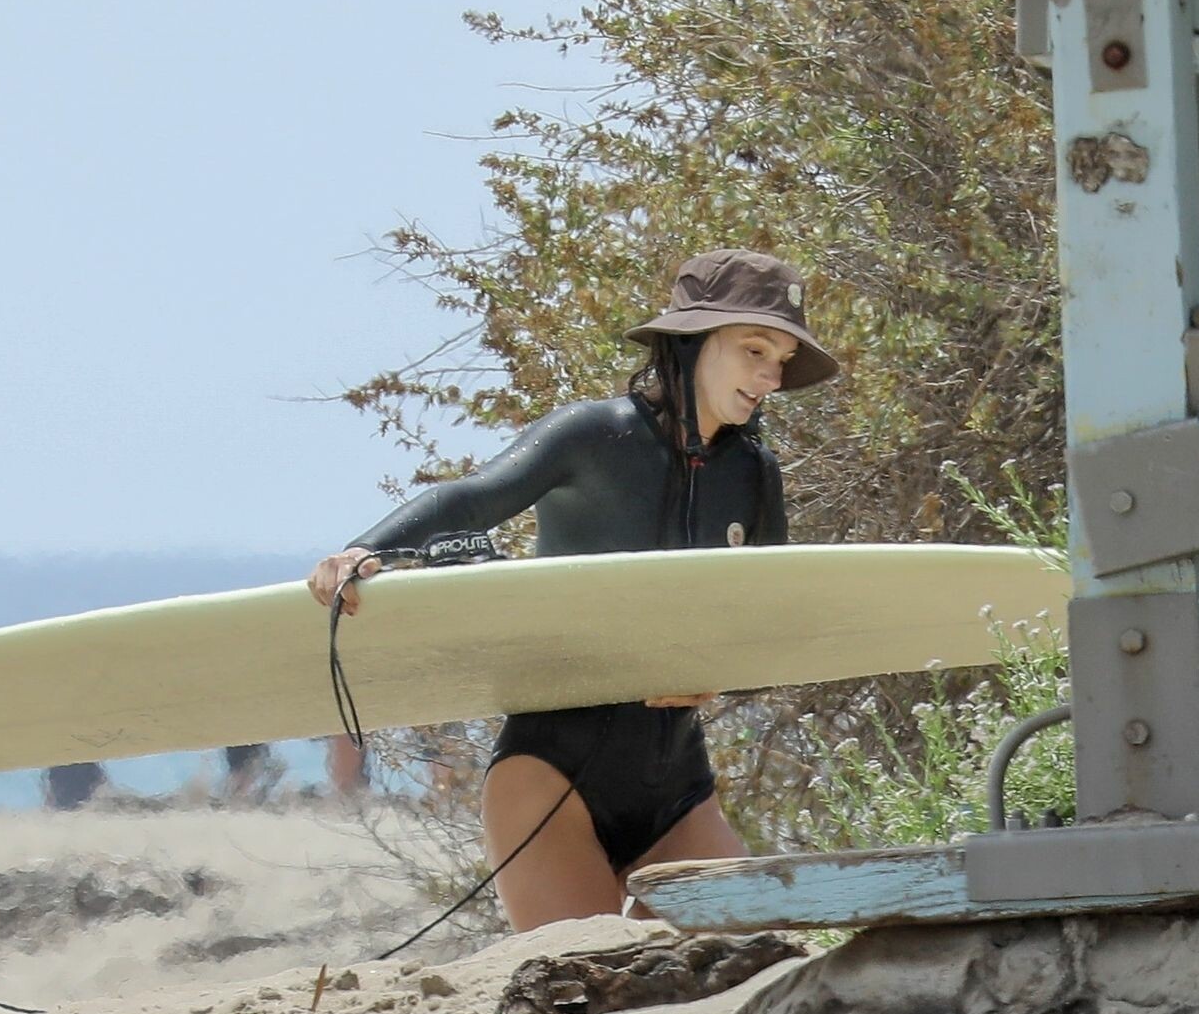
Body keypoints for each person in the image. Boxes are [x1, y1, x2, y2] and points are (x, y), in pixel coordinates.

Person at [307, 248, 838, 931]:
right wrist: (364, 549)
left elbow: (769, 624)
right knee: (585, 981)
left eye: (783, 360)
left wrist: (719, 677)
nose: (771, 375)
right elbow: (471, 499)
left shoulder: (753, 474)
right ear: (692, 342)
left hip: (679, 790)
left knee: (746, 959)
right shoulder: (596, 436)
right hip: (551, 780)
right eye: (755, 350)